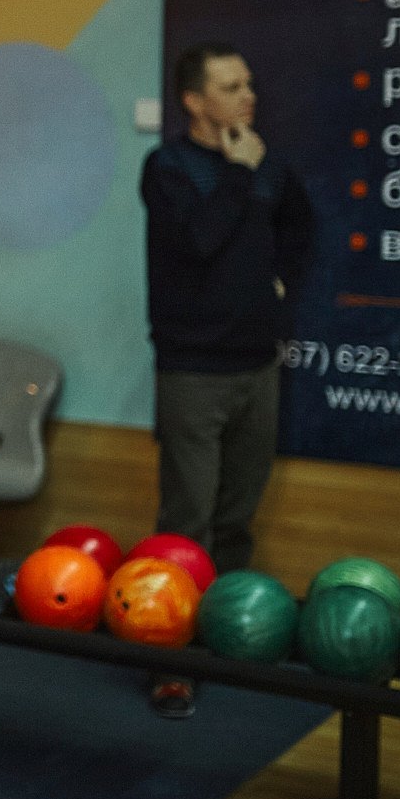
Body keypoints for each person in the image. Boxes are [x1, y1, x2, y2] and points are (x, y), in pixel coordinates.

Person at [140, 42, 313, 718]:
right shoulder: (168, 169)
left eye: (248, 84)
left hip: (256, 367)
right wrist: (240, 174)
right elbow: (198, 241)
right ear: (194, 101)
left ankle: (230, 635)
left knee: (237, 520)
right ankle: (171, 662)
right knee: (188, 522)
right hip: (193, 372)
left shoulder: (269, 166)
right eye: (232, 86)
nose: (248, 96)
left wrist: (281, 282)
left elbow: (299, 224)